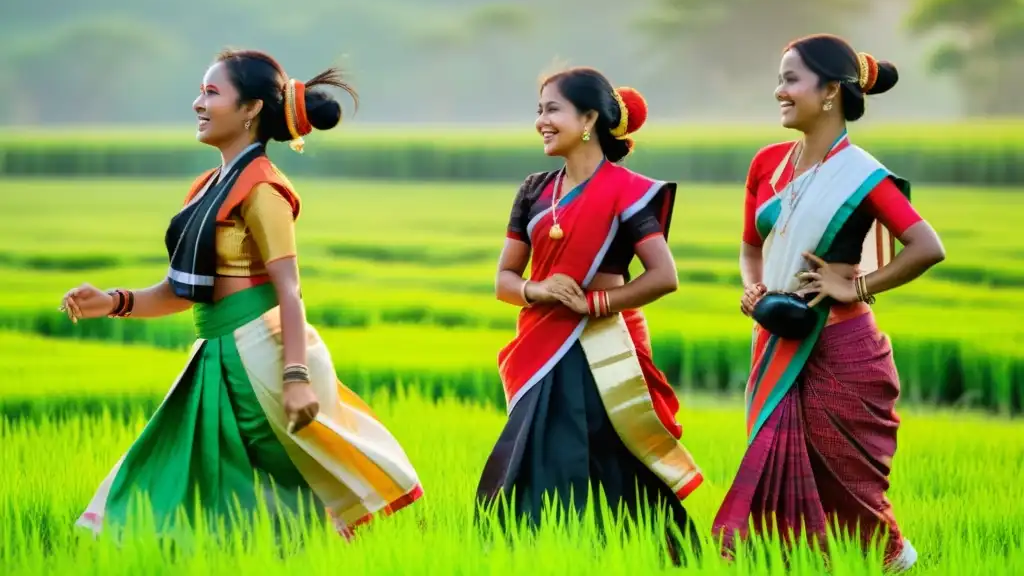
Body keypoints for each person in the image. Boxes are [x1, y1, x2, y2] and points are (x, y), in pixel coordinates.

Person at [62, 49, 423, 539]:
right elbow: (183, 290)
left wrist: (296, 378)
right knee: (184, 474)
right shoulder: (207, 188)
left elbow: (289, 291)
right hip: (214, 354)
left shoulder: (263, 190)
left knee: (280, 485)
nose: (198, 103)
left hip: (261, 357)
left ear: (251, 109)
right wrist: (113, 301)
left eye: (212, 93)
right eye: (200, 91)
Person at [711, 34, 946, 571]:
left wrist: (855, 287)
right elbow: (752, 247)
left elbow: (927, 247)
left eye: (791, 79)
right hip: (773, 340)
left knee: (848, 487)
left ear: (831, 93)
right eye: (779, 79)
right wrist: (755, 287)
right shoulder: (768, 164)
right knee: (773, 465)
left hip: (840, 348)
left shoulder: (862, 175)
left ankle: (895, 561)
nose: (779, 91)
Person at [474, 66, 704, 565]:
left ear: (589, 118)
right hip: (543, 345)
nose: (541, 121)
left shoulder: (626, 190)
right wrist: (538, 289)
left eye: (552, 109)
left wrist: (595, 304)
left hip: (606, 348)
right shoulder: (534, 190)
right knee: (536, 455)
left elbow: (663, 275)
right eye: (539, 110)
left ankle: (650, 558)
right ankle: (532, 559)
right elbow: (505, 282)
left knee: (616, 459)